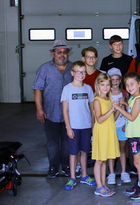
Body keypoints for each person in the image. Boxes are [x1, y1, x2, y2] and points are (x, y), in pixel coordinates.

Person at [32, 39, 73, 179]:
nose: (62, 55)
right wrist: (39, 109)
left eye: (65, 52)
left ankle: (67, 166)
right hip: (51, 113)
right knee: (52, 143)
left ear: (68, 53)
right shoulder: (44, 69)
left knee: (68, 142)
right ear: (53, 53)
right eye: (59, 52)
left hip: (70, 114)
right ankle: (53, 167)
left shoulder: (74, 68)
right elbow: (38, 89)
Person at [61, 61, 96, 190]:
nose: (81, 74)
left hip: (86, 126)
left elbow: (91, 108)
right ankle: (72, 178)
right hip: (74, 126)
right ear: (72, 73)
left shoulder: (88, 88)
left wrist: (92, 125)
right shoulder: (67, 88)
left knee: (84, 152)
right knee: (73, 152)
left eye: (83, 72)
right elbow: (65, 110)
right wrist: (68, 127)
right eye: (78, 71)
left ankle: (84, 176)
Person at [113, 72, 140, 200]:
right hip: (136, 135)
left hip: (138, 136)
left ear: (139, 84)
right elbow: (133, 112)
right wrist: (125, 105)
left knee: (138, 163)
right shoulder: (133, 98)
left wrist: (119, 107)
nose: (129, 87)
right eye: (127, 85)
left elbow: (132, 117)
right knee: (139, 163)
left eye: (132, 84)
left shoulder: (139, 99)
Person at [92, 73, 120, 197]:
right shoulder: (97, 100)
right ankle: (98, 186)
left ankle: (103, 183)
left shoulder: (109, 99)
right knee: (99, 160)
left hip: (109, 131)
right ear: (98, 85)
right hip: (101, 132)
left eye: (107, 85)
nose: (105, 87)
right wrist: (111, 110)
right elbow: (100, 119)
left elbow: (112, 118)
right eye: (102, 84)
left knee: (104, 160)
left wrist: (118, 109)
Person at [106, 68, 131, 185]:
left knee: (122, 150)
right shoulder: (107, 95)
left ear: (120, 80)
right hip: (111, 126)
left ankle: (124, 172)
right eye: (112, 79)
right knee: (111, 150)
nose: (115, 82)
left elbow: (128, 110)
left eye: (117, 79)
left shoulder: (125, 93)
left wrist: (126, 124)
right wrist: (118, 106)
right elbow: (111, 118)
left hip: (122, 126)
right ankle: (111, 173)